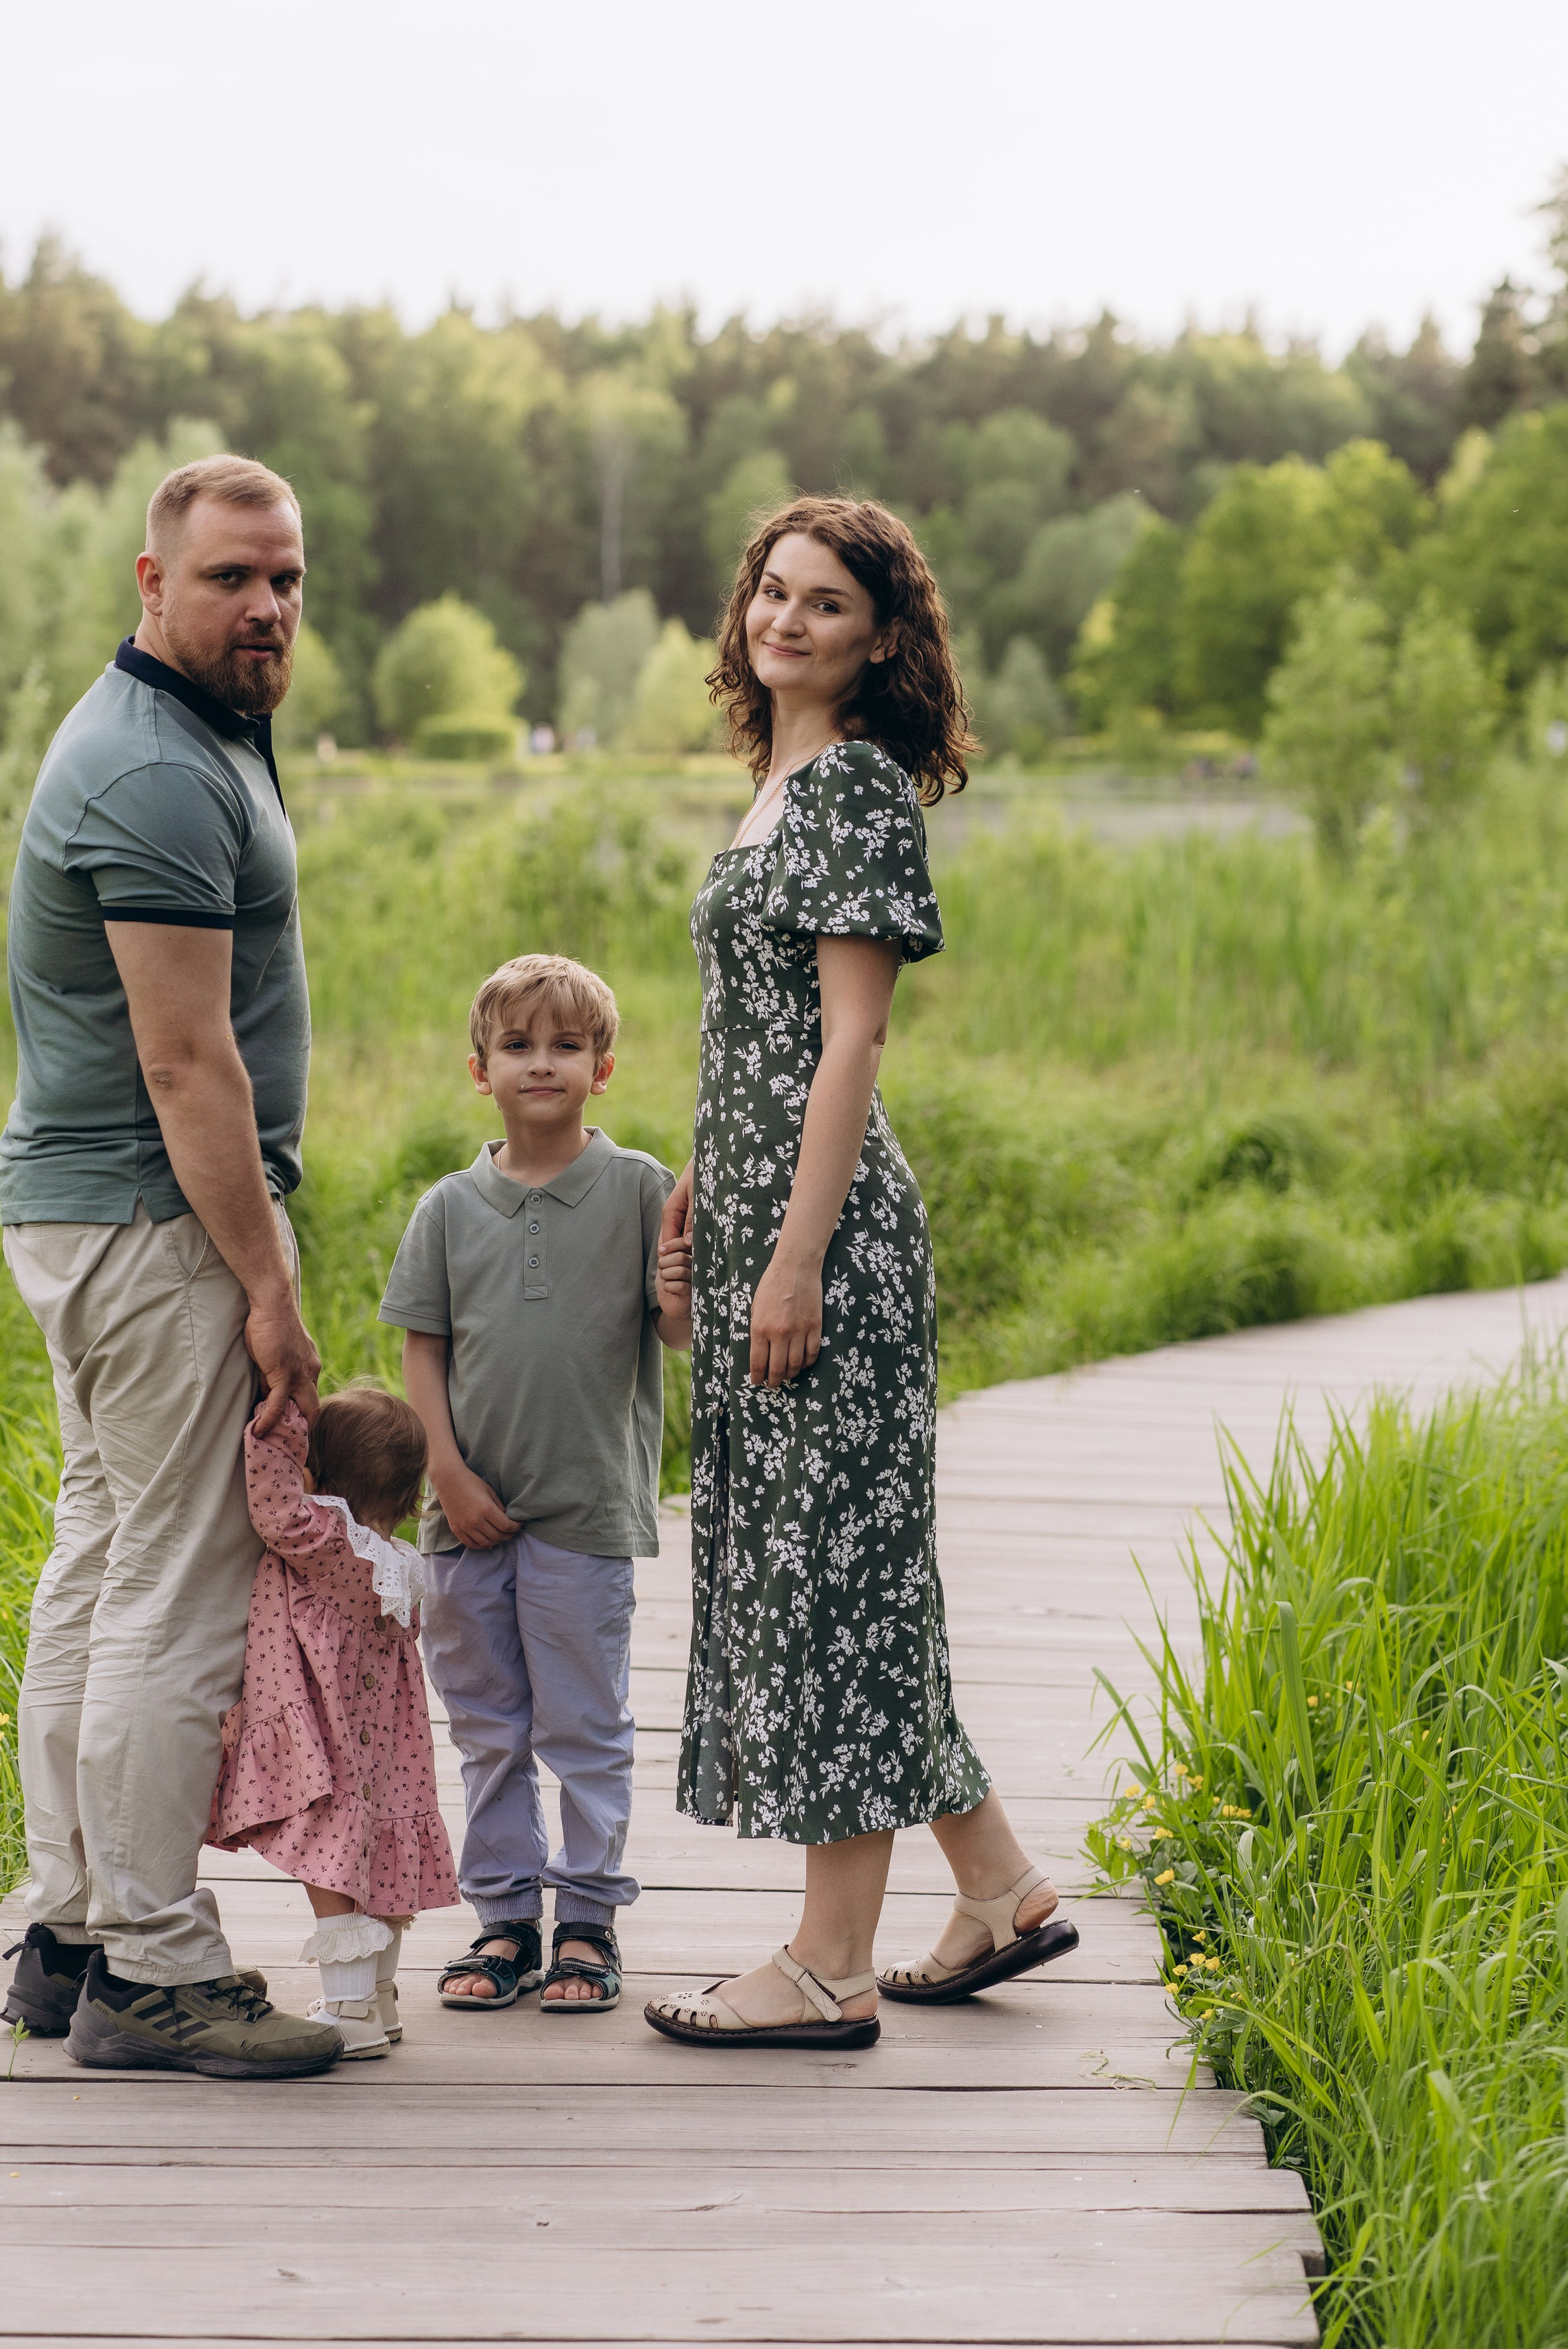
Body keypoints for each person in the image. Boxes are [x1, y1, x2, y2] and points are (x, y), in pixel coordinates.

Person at [644, 496, 1079, 2052]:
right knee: (851, 1576)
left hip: (826, 1251)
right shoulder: (771, 784)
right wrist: (711, 1174)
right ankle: (1000, 1887)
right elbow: (754, 1033)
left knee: (837, 1585)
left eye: (825, 602)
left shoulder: (849, 793)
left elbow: (851, 1036)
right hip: (766, 1210)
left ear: (880, 634)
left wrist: (796, 1253)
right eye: (771, 590)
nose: (786, 618)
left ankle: (827, 1963)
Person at [0, 454, 344, 2079]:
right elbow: (185, 1061)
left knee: (100, 1555)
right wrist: (267, 1284)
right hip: (154, 1221)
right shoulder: (152, 768)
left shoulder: (194, 736)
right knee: (173, 1586)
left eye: (283, 576)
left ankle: (69, 1927)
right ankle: (153, 1966)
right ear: (152, 582)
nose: (265, 605)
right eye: (228, 578)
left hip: (97, 1215)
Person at [381, 954, 690, 2014]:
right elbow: (424, 1352)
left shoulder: (644, 1188)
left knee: (583, 1724)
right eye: (518, 1046)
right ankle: (505, 1917)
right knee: (489, 1726)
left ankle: (590, 1922)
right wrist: (449, 1471)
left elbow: (678, 1333)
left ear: (603, 1069)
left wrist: (681, 1288)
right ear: (481, 1070)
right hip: (463, 1520)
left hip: (586, 1510)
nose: (542, 1063)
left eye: (566, 1045)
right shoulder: (449, 1209)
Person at [207, 1387, 461, 2058]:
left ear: (320, 1475)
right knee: (378, 1852)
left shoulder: (326, 1542)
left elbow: (275, 1508)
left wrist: (278, 1414)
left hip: (327, 1741)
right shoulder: (398, 1566)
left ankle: (349, 2011)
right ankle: (378, 1998)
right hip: (388, 1756)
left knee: (334, 1864)